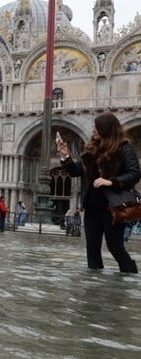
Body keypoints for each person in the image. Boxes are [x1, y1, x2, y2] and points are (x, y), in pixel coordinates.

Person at [57, 112, 140, 273]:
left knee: (115, 246)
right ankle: (94, 286)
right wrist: (65, 156)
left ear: (107, 128)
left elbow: (134, 173)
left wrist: (111, 181)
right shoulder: (91, 149)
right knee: (92, 249)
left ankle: (130, 276)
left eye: (96, 127)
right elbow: (77, 171)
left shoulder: (124, 148)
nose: (93, 130)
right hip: (92, 207)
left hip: (114, 206)